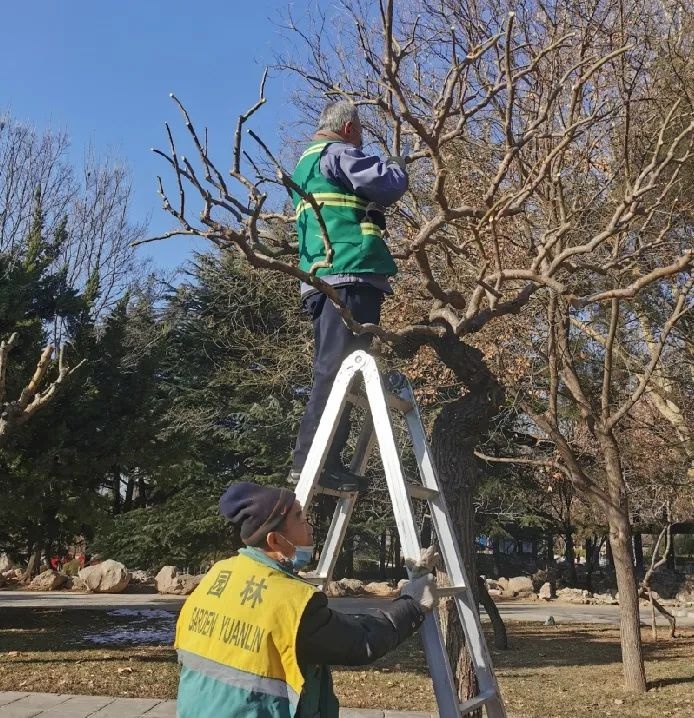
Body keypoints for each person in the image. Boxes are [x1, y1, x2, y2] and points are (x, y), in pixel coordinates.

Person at [175, 482, 437, 718]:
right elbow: (360, 641)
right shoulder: (292, 601)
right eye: (299, 518)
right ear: (275, 540)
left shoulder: (218, 575)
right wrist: (412, 604)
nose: (310, 527)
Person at [289, 101, 408, 492]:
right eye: (359, 133)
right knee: (333, 371)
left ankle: (325, 459)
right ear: (346, 129)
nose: (361, 141)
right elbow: (388, 185)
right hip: (349, 272)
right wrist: (397, 165)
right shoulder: (339, 153)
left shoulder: (306, 162)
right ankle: (312, 461)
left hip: (324, 276)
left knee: (340, 373)